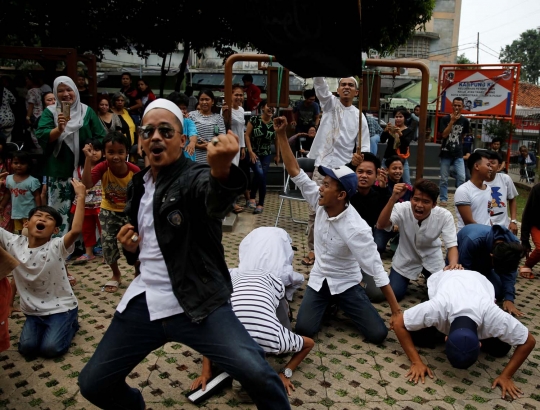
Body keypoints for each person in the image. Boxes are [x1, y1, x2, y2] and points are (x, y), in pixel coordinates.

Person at [78, 98, 291, 410]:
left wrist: (221, 171)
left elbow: (213, 202)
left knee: (257, 373)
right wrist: (131, 248)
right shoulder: (138, 183)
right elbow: (143, 244)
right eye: (148, 131)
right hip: (145, 300)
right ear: (140, 141)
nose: (156, 137)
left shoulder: (193, 176)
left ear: (181, 139)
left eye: (166, 131)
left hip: (199, 299)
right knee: (93, 383)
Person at [274, 115, 401, 343]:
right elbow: (295, 171)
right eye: (322, 183)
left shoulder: (356, 228)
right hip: (321, 278)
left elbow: (376, 269)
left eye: (326, 185)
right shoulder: (320, 201)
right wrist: (282, 135)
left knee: (378, 334)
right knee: (304, 328)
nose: (319, 188)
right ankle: (328, 303)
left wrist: (396, 311)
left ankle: (343, 301)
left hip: (347, 282)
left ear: (341, 195)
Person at [191, 228, 310, 396]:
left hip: (250, 276)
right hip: (251, 277)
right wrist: (206, 371)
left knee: (279, 292)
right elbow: (209, 336)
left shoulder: (278, 342)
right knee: (279, 286)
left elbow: (308, 343)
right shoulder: (275, 341)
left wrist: (285, 373)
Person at [392, 269, 535, 400]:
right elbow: (398, 323)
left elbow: (529, 341)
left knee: (502, 349)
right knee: (416, 336)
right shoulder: (437, 307)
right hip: (446, 277)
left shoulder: (494, 315)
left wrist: (506, 376)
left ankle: (459, 342)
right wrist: (416, 362)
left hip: (478, 281)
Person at [0, 179, 87, 358]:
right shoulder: (13, 242)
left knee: (51, 349)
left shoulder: (57, 246)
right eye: (38, 216)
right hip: (32, 311)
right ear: (26, 223)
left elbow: (76, 230)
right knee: (27, 349)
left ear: (55, 230)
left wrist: (81, 196)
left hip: (61, 308)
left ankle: (72, 322)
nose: (42, 219)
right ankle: (45, 327)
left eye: (48, 219)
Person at [303, 77, 370, 266]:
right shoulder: (330, 104)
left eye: (351, 85)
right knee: (315, 211)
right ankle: (313, 250)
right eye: (343, 85)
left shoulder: (360, 117)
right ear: (338, 89)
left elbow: (364, 148)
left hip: (343, 171)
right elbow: (320, 85)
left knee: (341, 212)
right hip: (323, 167)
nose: (347, 88)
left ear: (356, 93)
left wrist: (358, 160)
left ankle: (336, 250)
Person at [36, 76, 106, 236]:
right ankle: (61, 242)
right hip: (59, 169)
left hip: (84, 169)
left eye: (69, 89)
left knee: (87, 206)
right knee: (60, 207)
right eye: (60, 91)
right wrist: (59, 129)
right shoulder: (51, 112)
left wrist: (91, 150)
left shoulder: (86, 111)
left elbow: (101, 136)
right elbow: (41, 134)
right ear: (55, 92)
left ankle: (85, 243)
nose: (65, 94)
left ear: (75, 90)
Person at [375, 179, 459, 301]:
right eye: (416, 199)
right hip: (405, 259)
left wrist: (452, 267)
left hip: (432, 260)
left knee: (441, 294)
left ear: (434, 204)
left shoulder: (444, 216)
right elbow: (381, 225)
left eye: (426, 202)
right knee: (395, 294)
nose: (419, 205)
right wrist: (392, 199)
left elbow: (451, 246)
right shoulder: (402, 208)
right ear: (411, 198)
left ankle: (433, 280)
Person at [81, 132, 140, 293]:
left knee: (134, 243)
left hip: (130, 213)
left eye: (120, 152)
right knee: (107, 245)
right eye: (111, 152)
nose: (115, 157)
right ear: (105, 153)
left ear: (127, 152)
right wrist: (87, 159)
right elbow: (86, 184)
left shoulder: (134, 171)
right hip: (109, 210)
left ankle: (138, 272)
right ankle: (115, 274)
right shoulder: (102, 167)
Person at [458, 223, 524, 317]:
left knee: (498, 293)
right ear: (491, 256)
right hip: (462, 265)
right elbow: (464, 272)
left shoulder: (513, 245)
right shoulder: (473, 240)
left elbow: (510, 273)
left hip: (484, 267)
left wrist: (509, 299)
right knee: (469, 296)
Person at [71, 140, 103, 262]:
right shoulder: (79, 169)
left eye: (97, 150)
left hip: (101, 202)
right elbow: (76, 183)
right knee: (86, 228)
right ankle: (88, 252)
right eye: (90, 150)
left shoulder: (104, 166)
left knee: (103, 228)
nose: (93, 153)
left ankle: (107, 252)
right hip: (84, 204)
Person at [372, 156, 412, 253]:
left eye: (400, 168)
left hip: (402, 225)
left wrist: (399, 223)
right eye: (394, 168)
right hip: (384, 224)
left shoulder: (408, 188)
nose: (397, 171)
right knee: (378, 248)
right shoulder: (379, 186)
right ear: (387, 170)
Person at [244, 100, 278, 215]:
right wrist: (250, 151)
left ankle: (258, 202)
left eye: (273, 107)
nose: (271, 109)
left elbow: (277, 139)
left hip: (266, 154)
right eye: (269, 106)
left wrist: (278, 155)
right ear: (263, 107)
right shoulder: (254, 119)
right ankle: (255, 199)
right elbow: (247, 135)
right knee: (260, 174)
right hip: (254, 153)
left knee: (261, 175)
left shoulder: (274, 123)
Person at [439, 97, 469, 207]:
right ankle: (443, 198)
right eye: (455, 105)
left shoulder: (465, 121)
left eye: (459, 105)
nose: (457, 107)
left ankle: (459, 198)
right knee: (444, 178)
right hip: (446, 152)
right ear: (452, 106)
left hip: (458, 152)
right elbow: (444, 135)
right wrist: (451, 122)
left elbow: (463, 136)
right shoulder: (445, 119)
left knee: (462, 177)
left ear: (462, 107)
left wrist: (460, 147)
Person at [2, 151, 41, 233]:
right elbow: (8, 193)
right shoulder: (9, 178)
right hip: (16, 213)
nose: (18, 166)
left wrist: (39, 210)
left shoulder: (32, 181)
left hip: (29, 213)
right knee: (19, 232)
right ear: (11, 164)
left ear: (28, 165)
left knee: (28, 232)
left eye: (22, 163)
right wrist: (2, 205)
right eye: (16, 163)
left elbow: (37, 196)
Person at [454, 150, 492, 232]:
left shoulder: (488, 189)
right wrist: (488, 233)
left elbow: (487, 216)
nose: (490, 169)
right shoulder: (463, 190)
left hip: (487, 236)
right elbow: (469, 222)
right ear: (476, 166)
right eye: (488, 165)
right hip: (470, 237)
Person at [189, 89, 226, 164]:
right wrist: (198, 145)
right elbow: (186, 135)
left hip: (212, 158)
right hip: (193, 158)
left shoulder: (218, 118)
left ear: (212, 101)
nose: (204, 102)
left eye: (207, 99)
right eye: (201, 100)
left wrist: (210, 144)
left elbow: (222, 137)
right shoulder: (191, 115)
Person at [485, 150, 518, 234]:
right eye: (487, 163)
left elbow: (512, 199)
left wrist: (513, 221)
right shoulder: (479, 181)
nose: (490, 166)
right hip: (484, 226)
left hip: (503, 226)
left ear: (499, 166)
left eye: (492, 163)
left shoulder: (505, 179)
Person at [380, 107, 414, 184]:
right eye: (396, 117)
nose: (398, 119)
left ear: (405, 118)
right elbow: (382, 140)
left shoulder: (409, 130)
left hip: (401, 160)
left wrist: (400, 134)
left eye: (400, 117)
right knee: (381, 180)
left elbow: (406, 144)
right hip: (388, 158)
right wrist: (385, 131)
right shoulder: (391, 128)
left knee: (406, 182)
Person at [166, 92, 198, 161]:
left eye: (184, 108)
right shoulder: (165, 123)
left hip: (188, 162)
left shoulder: (189, 122)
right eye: (179, 108)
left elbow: (193, 134)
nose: (182, 111)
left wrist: (192, 143)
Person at [221, 84, 246, 166]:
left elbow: (241, 130)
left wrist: (242, 146)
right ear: (230, 96)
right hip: (228, 144)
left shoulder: (242, 110)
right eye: (236, 95)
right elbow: (222, 126)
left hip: (237, 145)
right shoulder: (225, 109)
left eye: (241, 95)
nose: (239, 97)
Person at [520, 181, 540, 280]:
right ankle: (527, 266)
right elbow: (527, 214)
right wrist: (525, 239)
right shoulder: (537, 189)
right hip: (537, 225)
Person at [24, 73, 43, 152]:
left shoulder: (31, 91)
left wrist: (28, 117)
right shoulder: (40, 90)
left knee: (34, 135)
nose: (26, 81)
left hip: (34, 116)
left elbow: (31, 104)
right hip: (41, 114)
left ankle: (40, 150)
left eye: (27, 79)